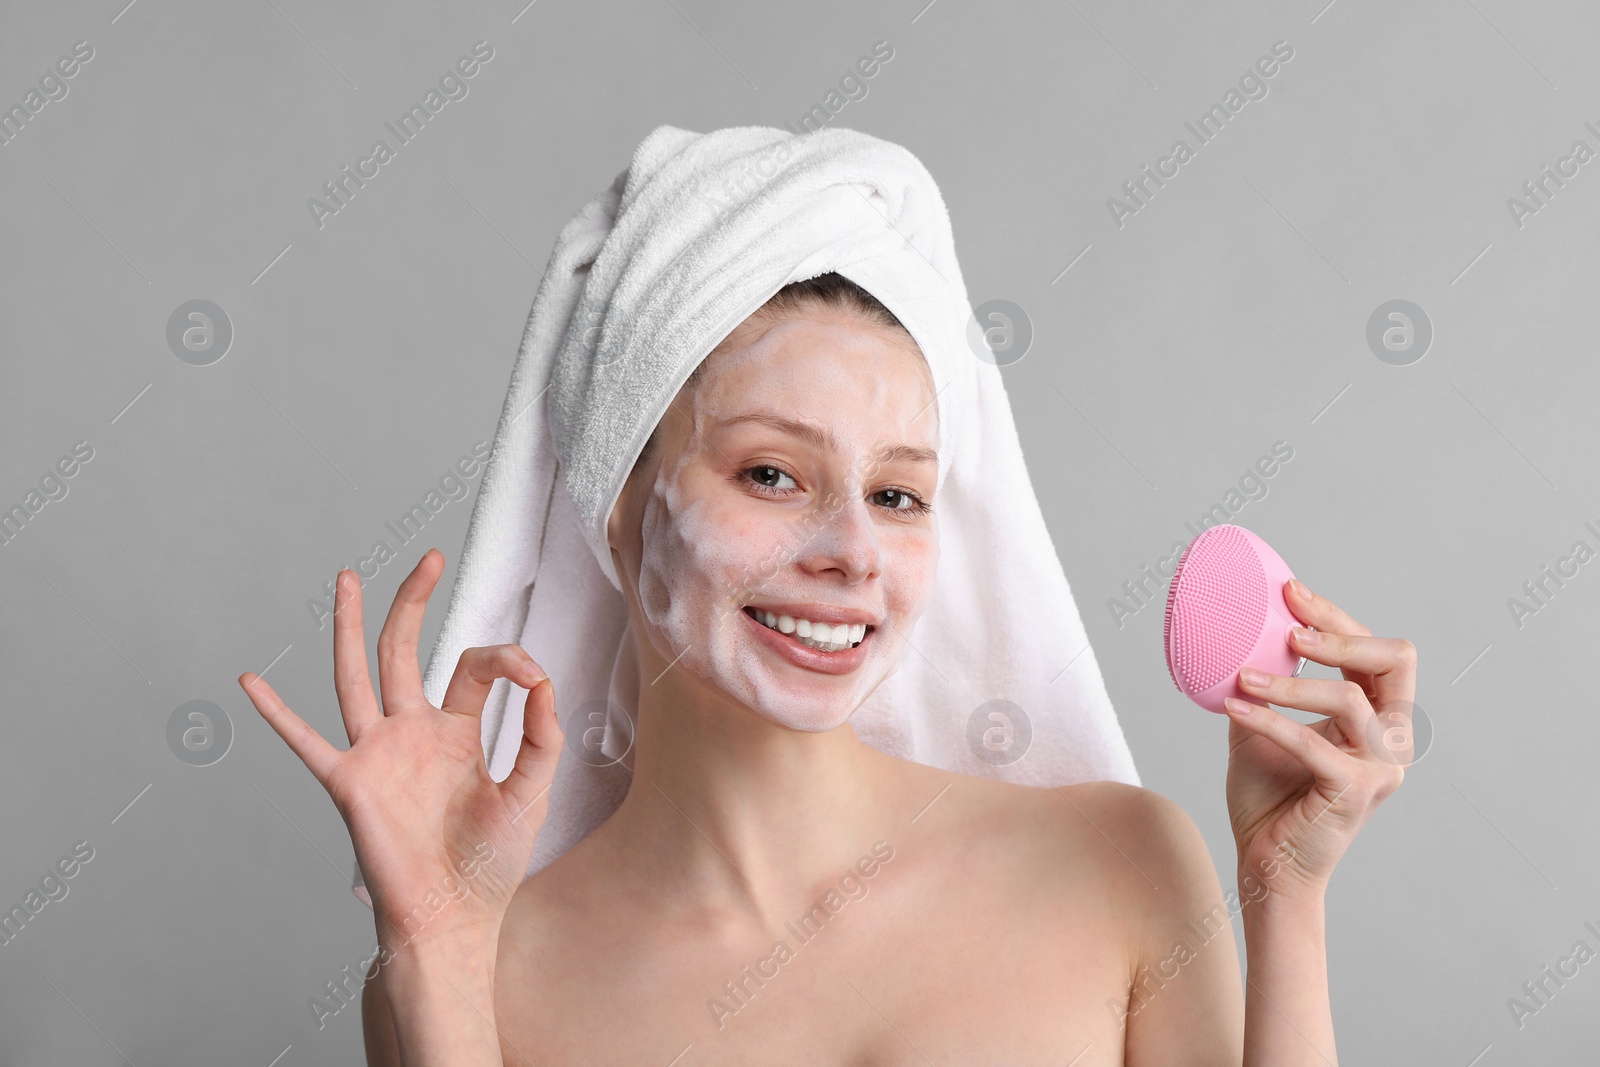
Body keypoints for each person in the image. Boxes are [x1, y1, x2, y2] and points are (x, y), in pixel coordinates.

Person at [239, 269, 1416, 1064]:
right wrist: (438, 948)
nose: (852, 549)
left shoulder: (1115, 859)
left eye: (897, 493)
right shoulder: (481, 967)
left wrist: (1285, 891)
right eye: (770, 473)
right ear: (621, 508)